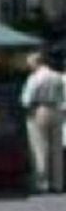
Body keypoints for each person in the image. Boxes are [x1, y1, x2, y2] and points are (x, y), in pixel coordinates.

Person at [19, 52, 64, 193]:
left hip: (39, 110)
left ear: (36, 62)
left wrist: (25, 105)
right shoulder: (58, 76)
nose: (28, 65)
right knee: (57, 148)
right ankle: (58, 183)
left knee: (39, 147)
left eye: (29, 63)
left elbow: (27, 99)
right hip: (57, 110)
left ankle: (42, 183)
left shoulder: (35, 78)